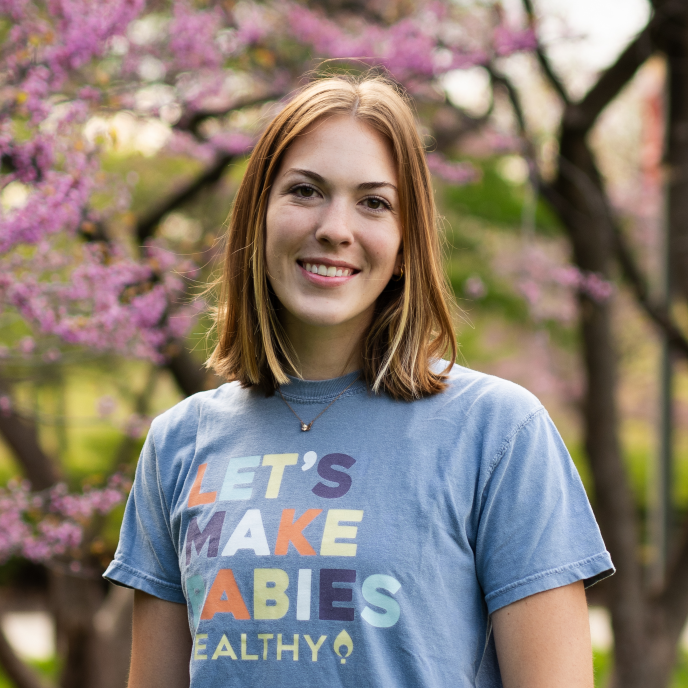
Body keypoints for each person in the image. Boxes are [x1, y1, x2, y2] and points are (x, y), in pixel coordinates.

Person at [104, 74, 613, 688]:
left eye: (374, 202)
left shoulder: (499, 434)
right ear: (258, 215)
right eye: (305, 191)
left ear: (406, 240)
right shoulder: (179, 442)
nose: (335, 228)